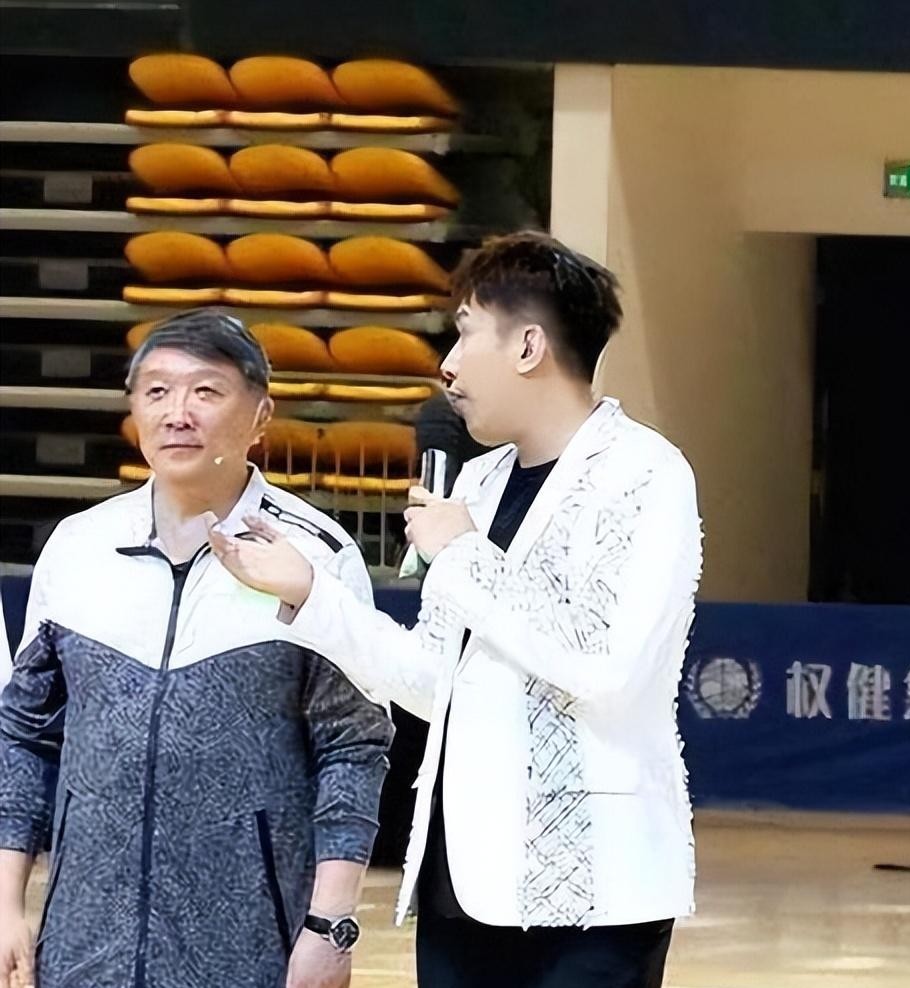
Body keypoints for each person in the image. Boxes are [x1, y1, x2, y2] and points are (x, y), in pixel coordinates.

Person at [209, 232, 703, 988]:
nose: (447, 364)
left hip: (593, 889)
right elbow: (432, 680)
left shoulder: (646, 474)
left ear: (529, 346)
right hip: (462, 876)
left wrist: (466, 555)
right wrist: (310, 592)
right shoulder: (477, 484)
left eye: (466, 333)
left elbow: (604, 667)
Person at [0, 309, 394, 988]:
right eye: (157, 391)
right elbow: (25, 735)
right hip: (84, 946)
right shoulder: (78, 547)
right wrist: (7, 903)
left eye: (206, 391)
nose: (177, 413)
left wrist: (331, 924)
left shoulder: (315, 556)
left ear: (261, 416)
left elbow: (353, 750)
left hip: (252, 946)